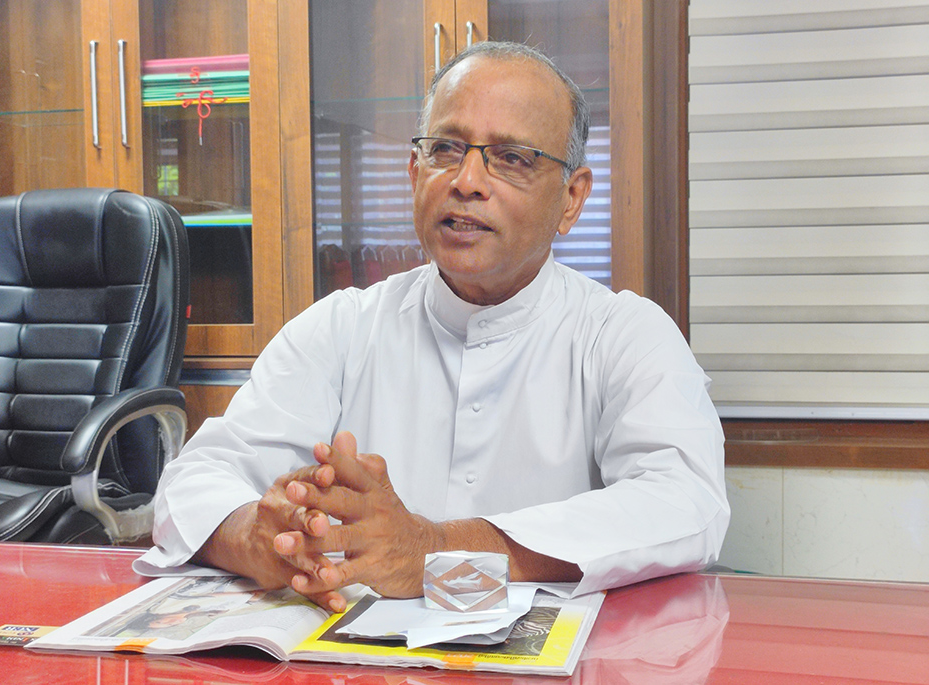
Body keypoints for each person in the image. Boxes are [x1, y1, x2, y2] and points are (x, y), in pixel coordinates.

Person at [137, 41, 729, 614]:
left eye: (513, 158)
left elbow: (685, 504)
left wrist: (430, 550)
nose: (467, 180)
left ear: (572, 200)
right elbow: (193, 481)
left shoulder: (624, 334)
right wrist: (263, 538)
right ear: (414, 171)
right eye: (446, 149)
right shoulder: (342, 327)